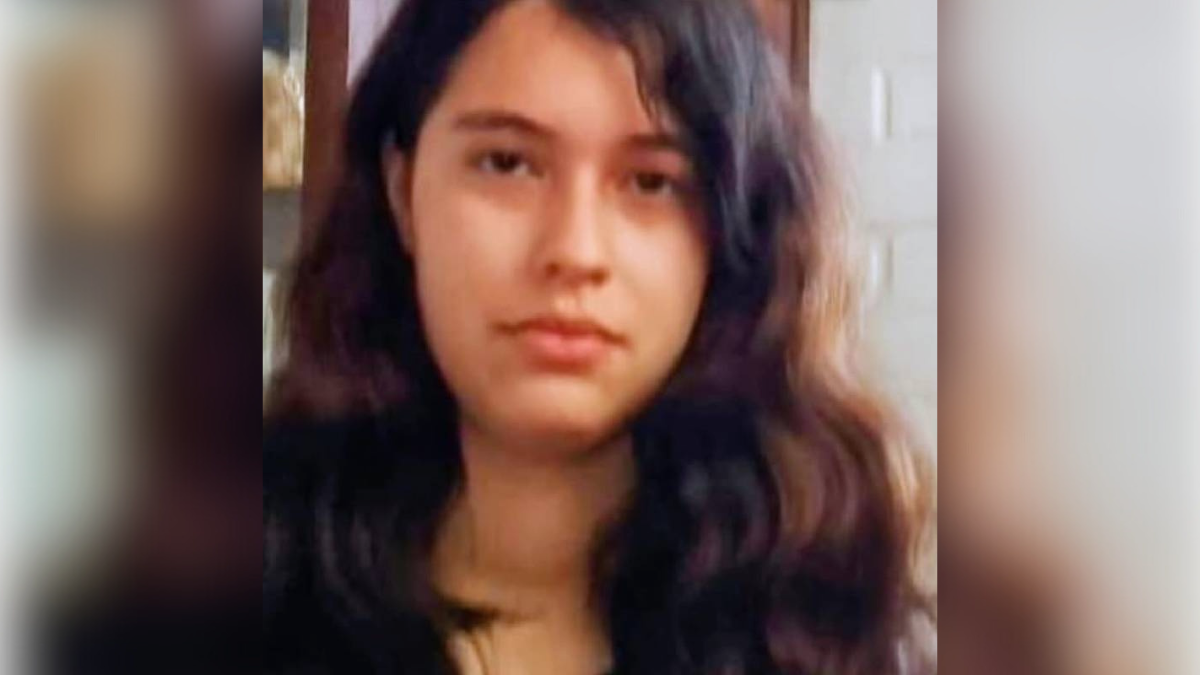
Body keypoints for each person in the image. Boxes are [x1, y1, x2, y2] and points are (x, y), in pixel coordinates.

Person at [264, 0, 933, 673]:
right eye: (507, 163)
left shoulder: (830, 624)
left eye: (651, 182)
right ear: (403, 189)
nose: (574, 250)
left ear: (735, 229)